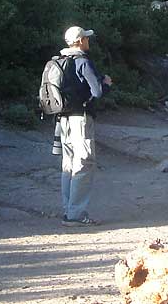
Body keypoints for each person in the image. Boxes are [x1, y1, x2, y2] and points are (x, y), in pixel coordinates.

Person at [57, 26, 112, 227]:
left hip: (63, 120)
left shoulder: (60, 61)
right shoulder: (82, 61)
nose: (88, 41)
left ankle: (69, 209)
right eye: (86, 38)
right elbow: (97, 92)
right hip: (81, 118)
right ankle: (76, 214)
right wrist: (106, 83)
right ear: (80, 41)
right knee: (84, 163)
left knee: (68, 165)